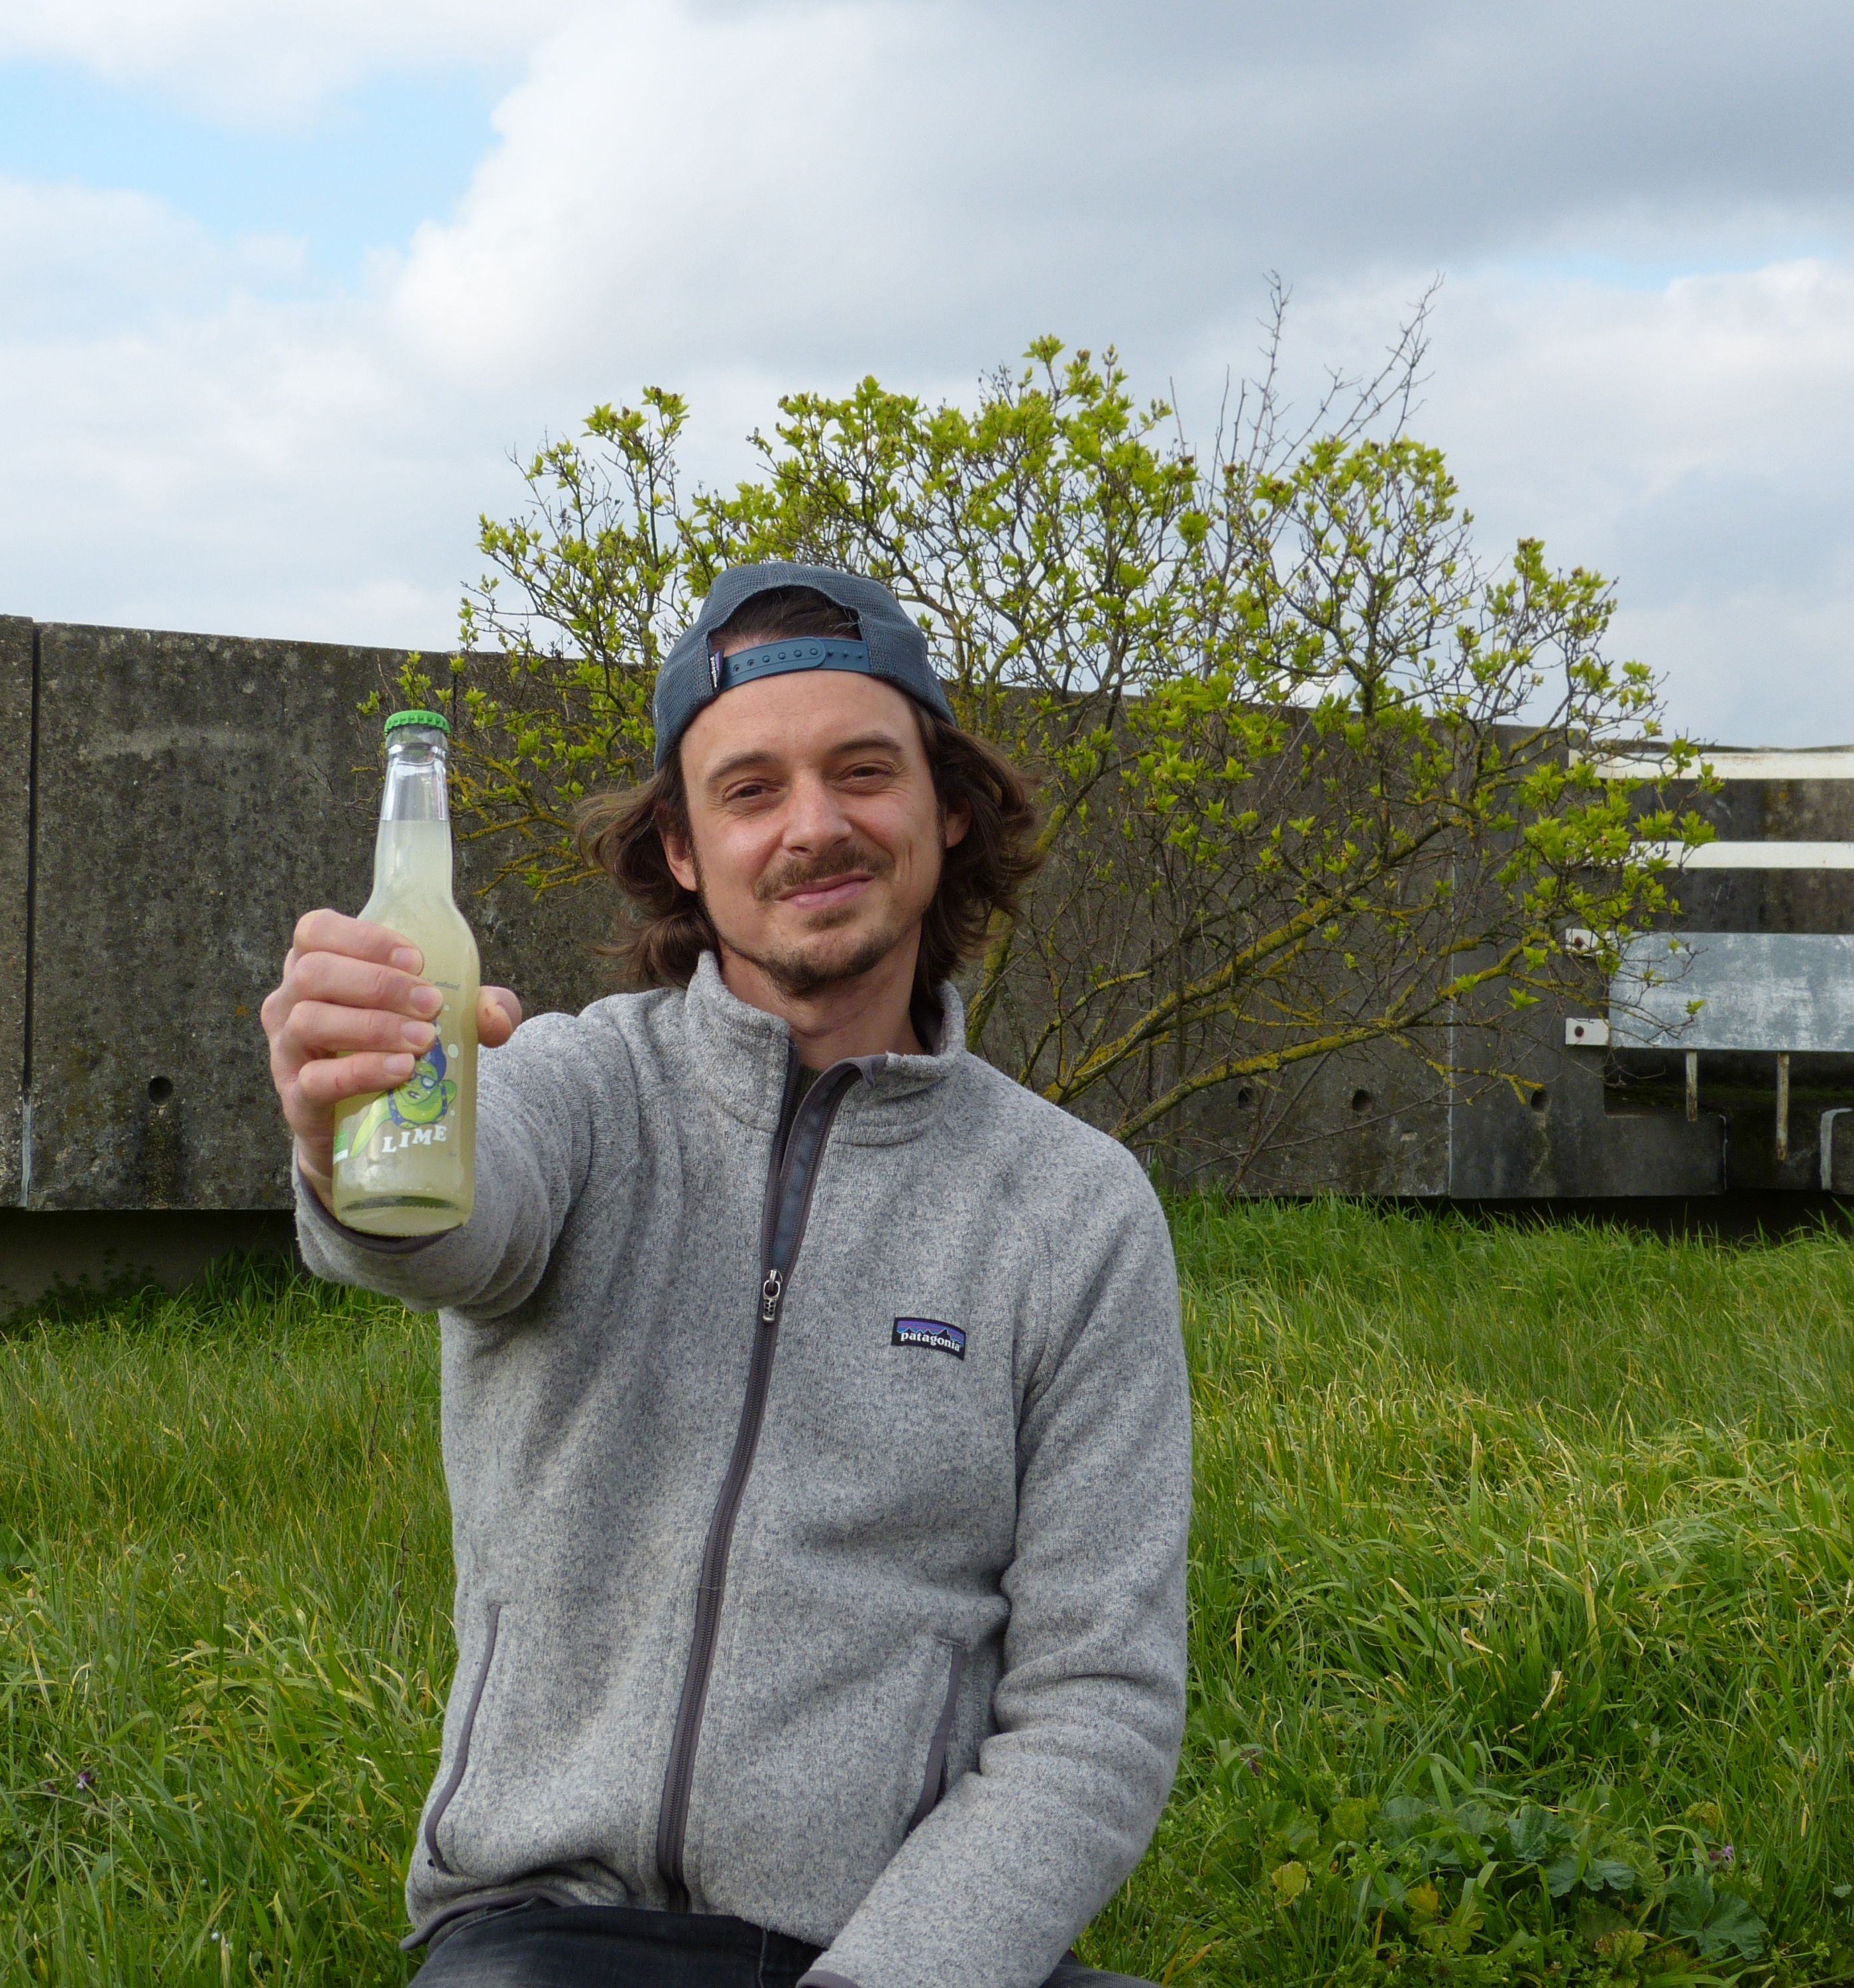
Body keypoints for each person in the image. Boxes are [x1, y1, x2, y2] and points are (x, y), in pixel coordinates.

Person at [260, 562, 1191, 1988]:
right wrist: (345, 1146)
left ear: (947, 808)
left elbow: (1098, 1708)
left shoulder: (1074, 1208)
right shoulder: (576, 1088)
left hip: (901, 1947)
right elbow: (451, 1221)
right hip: (554, 1936)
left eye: (862, 772)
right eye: (749, 791)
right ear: (683, 850)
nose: (813, 827)